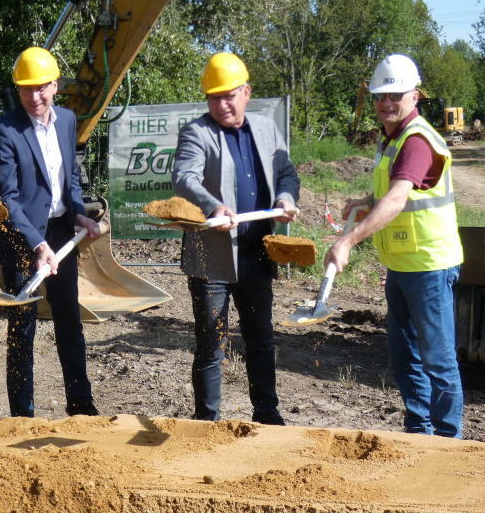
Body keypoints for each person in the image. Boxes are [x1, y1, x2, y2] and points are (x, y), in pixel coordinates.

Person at [325, 53, 464, 438]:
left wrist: (349, 240)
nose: (386, 102)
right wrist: (367, 201)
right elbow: (393, 192)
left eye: (395, 94)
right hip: (402, 264)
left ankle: (447, 441)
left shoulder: (417, 141)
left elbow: (400, 197)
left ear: (414, 96)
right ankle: (419, 433)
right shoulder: (391, 138)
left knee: (438, 359)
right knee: (405, 357)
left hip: (430, 266)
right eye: (379, 95)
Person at [172, 52, 300, 424]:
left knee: (260, 338)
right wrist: (213, 206)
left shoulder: (265, 128)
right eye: (214, 97)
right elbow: (184, 177)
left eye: (229, 95)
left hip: (256, 254)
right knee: (212, 345)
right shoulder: (198, 132)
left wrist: (286, 197)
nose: (222, 104)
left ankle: (267, 415)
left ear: (246, 92)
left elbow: (286, 171)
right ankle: (207, 422)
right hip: (211, 259)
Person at [0, 46, 100, 418]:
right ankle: (22, 416)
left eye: (41, 88)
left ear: (55, 85)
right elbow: (7, 198)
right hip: (21, 237)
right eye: (25, 89)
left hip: (60, 231)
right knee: (22, 327)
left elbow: (68, 176)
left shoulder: (67, 120)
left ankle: (81, 405)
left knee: (69, 318)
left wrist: (80, 214)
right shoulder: (6, 130)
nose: (34, 97)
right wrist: (36, 244)